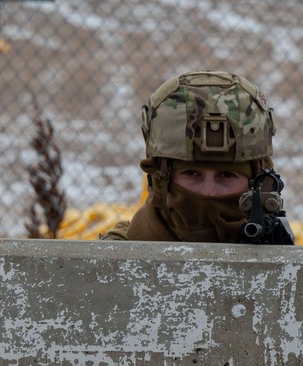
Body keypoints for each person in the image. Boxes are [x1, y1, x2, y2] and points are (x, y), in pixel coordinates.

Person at [102, 70, 293, 244]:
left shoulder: (287, 267)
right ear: (160, 179)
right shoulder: (110, 264)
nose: (208, 192)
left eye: (227, 175)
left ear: (260, 183)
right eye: (191, 173)